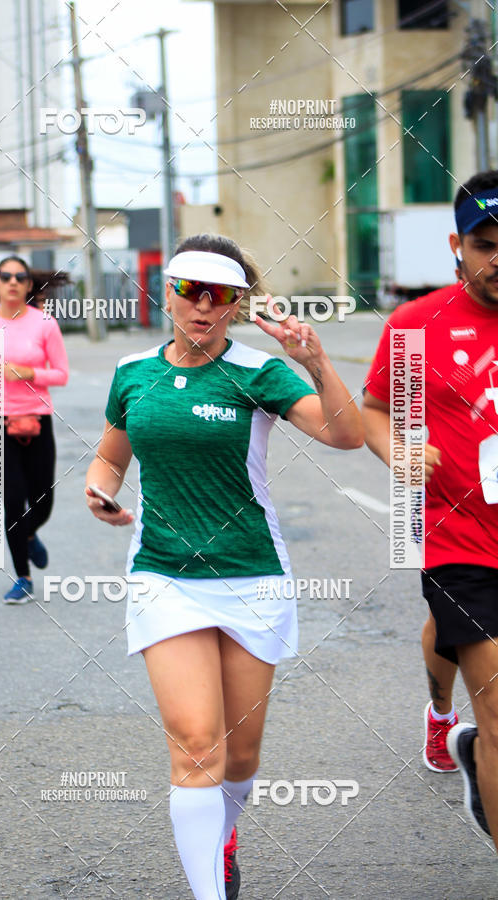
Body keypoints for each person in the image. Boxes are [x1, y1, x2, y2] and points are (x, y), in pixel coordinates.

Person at [85, 234, 364, 899]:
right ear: (170, 294)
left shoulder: (258, 373)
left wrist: (316, 362)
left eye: (219, 296)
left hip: (251, 575)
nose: (202, 308)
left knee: (238, 756)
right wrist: (99, 490)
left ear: (238, 303)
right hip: (164, 576)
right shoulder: (134, 374)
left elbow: (346, 435)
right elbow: (110, 459)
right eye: (189, 292)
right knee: (197, 747)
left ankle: (225, 832)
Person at [362, 170, 498, 848]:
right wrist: (399, 455)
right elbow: (375, 412)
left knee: (444, 635)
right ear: (458, 246)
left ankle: (460, 733)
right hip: (455, 535)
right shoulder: (417, 325)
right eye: (485, 243)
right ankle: (448, 718)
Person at [0, 256, 69, 603]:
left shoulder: (45, 324)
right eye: (5, 277)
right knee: (12, 499)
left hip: (37, 420)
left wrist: (29, 373)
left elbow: (62, 374)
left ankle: (30, 534)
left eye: (19, 277)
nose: (12, 282)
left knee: (43, 500)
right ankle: (22, 577)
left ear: (26, 286)